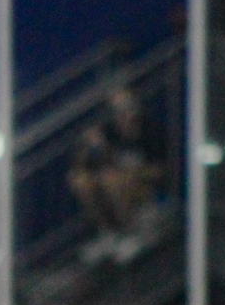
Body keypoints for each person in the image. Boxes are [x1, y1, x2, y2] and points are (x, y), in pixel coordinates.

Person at [69, 85, 169, 264]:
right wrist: (92, 146)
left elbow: (159, 170)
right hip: (113, 186)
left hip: (145, 189)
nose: (122, 112)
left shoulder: (150, 130)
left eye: (126, 106)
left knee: (112, 180)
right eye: (116, 108)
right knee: (81, 181)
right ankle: (108, 233)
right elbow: (88, 166)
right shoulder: (109, 132)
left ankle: (128, 233)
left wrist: (132, 174)